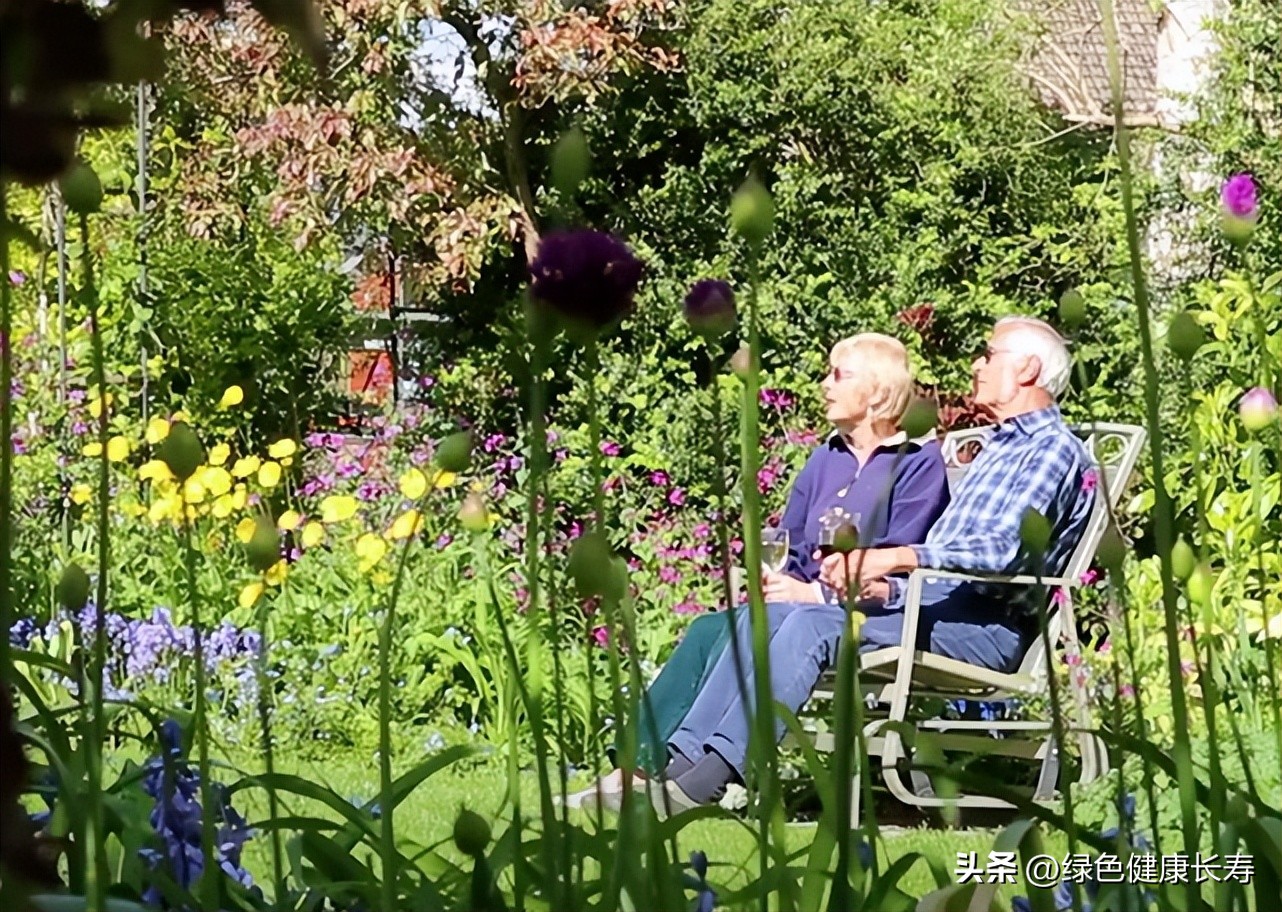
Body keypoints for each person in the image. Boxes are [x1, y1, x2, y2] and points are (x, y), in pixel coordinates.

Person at [653, 316, 1096, 813]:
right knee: (769, 615)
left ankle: (711, 777)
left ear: (1028, 368)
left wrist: (892, 558)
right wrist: (890, 589)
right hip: (934, 606)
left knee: (811, 626)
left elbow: (1000, 553)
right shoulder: (998, 446)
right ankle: (680, 761)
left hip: (986, 626)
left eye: (989, 355)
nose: (978, 364)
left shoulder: (1051, 450)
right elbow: (946, 570)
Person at [568, 333, 950, 809]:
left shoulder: (917, 461)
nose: (824, 386)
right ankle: (636, 770)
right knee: (711, 628)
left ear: (875, 390)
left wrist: (815, 596)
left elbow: (897, 559)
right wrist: (772, 579)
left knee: (771, 622)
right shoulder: (826, 456)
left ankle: (696, 775)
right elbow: (789, 538)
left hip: (865, 610)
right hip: (804, 602)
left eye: (838, 375)